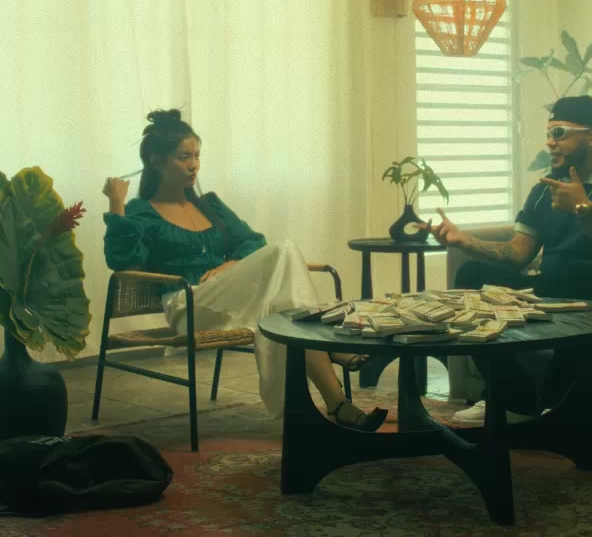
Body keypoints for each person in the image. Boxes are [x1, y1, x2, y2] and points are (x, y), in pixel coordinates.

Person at [102, 109, 387, 432]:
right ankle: (328, 347)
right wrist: (116, 204)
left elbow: (252, 241)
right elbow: (123, 261)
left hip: (228, 299)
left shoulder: (209, 204)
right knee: (285, 252)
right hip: (188, 305)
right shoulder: (141, 212)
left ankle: (338, 405)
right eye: (184, 157)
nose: (194, 165)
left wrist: (233, 263)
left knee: (286, 311)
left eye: (197, 155)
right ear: (156, 161)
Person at [417, 95, 592, 426]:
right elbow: (518, 253)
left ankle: (559, 406)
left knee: (576, 271)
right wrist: (464, 241)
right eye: (548, 133)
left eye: (559, 132)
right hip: (556, 286)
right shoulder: (547, 188)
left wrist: (585, 210)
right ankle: (513, 399)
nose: (549, 142)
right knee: (472, 275)